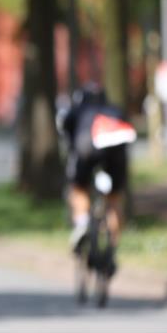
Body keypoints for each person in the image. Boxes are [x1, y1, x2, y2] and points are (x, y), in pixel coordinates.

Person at [57, 83, 136, 273]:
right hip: (116, 151)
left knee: (78, 188)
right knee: (114, 198)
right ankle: (112, 250)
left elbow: (67, 134)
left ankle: (83, 223)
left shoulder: (77, 111)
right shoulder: (115, 110)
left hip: (86, 147)